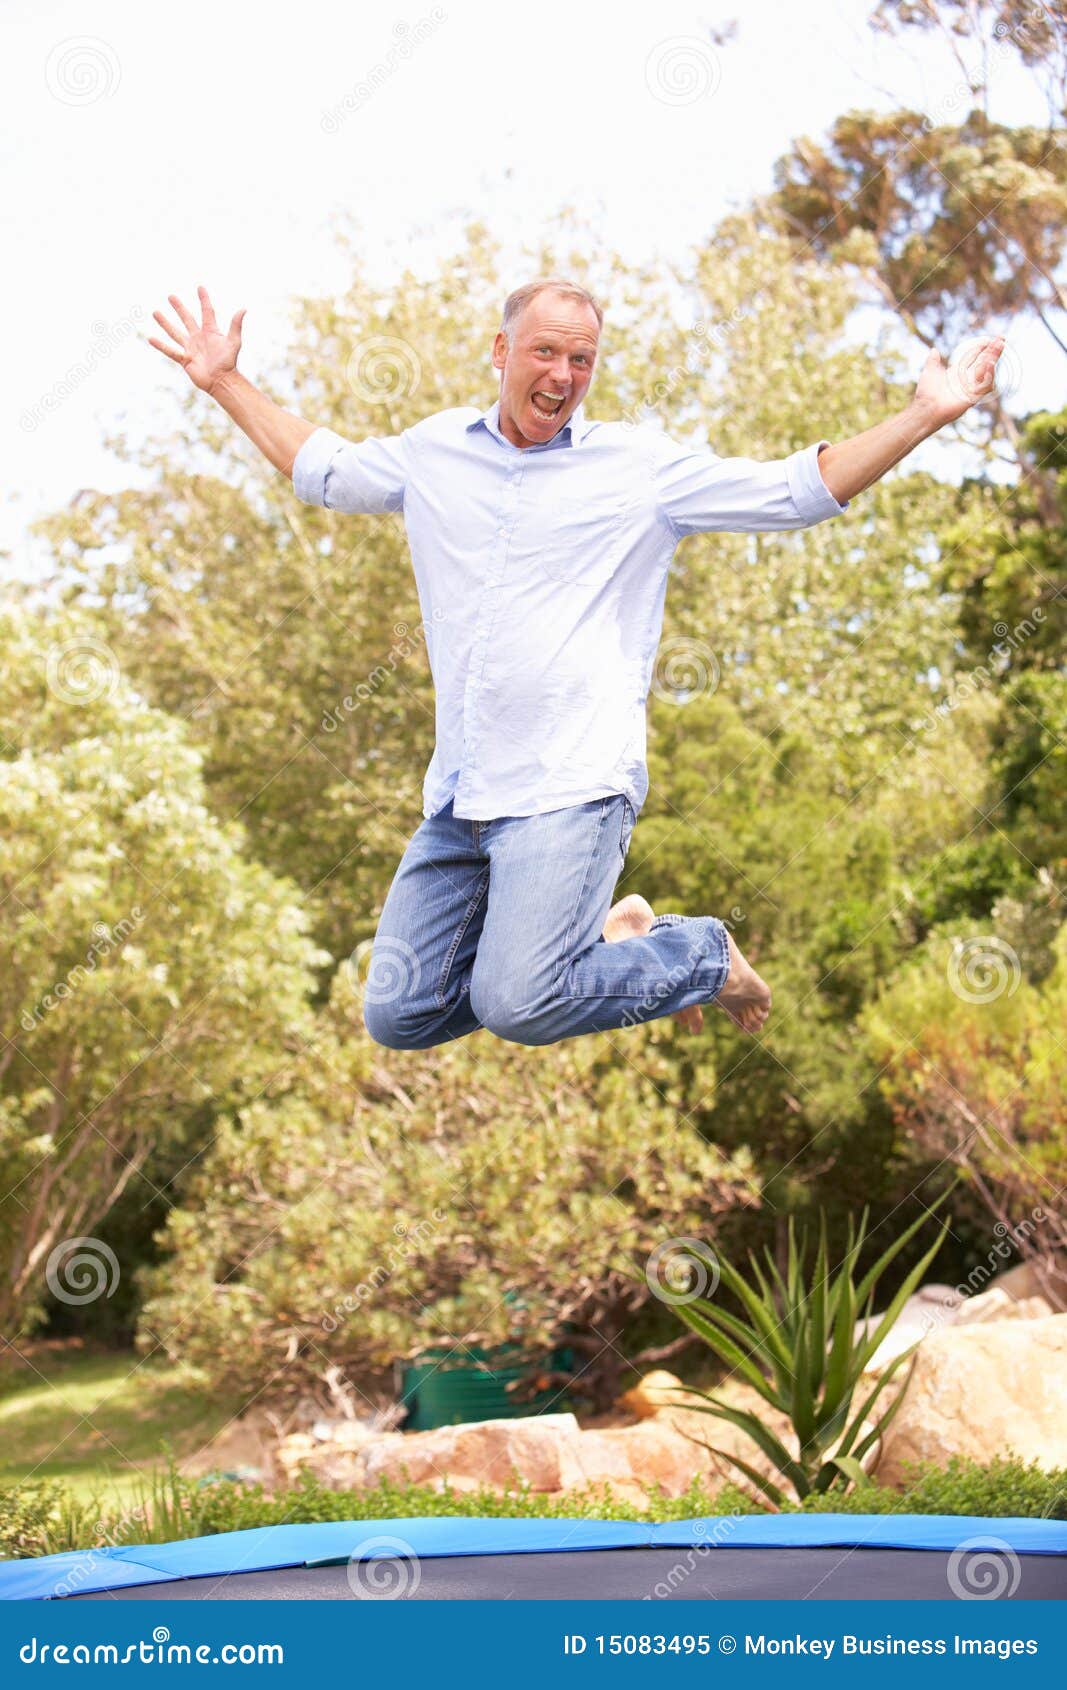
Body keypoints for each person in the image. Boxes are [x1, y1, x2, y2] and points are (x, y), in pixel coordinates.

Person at [149, 280, 1003, 1048]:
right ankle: (612, 940)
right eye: (546, 352)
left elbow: (793, 492)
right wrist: (222, 380)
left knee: (520, 1004)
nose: (562, 374)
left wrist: (924, 414)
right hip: (462, 791)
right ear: (501, 352)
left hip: (570, 786)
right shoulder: (433, 450)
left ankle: (697, 954)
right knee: (400, 1014)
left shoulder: (639, 470)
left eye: (582, 358)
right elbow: (322, 468)